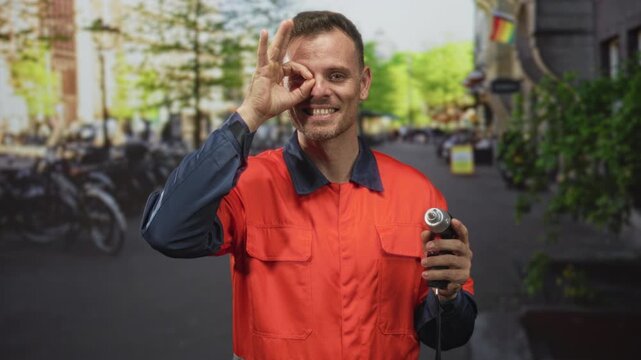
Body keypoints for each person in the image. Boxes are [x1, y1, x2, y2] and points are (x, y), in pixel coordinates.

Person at [141, 11, 476, 360]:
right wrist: (249, 115)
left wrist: (448, 297)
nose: (318, 91)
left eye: (336, 75)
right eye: (301, 77)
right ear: (284, 85)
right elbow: (167, 231)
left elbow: (448, 335)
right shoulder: (248, 186)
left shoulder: (417, 194)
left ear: (363, 83)